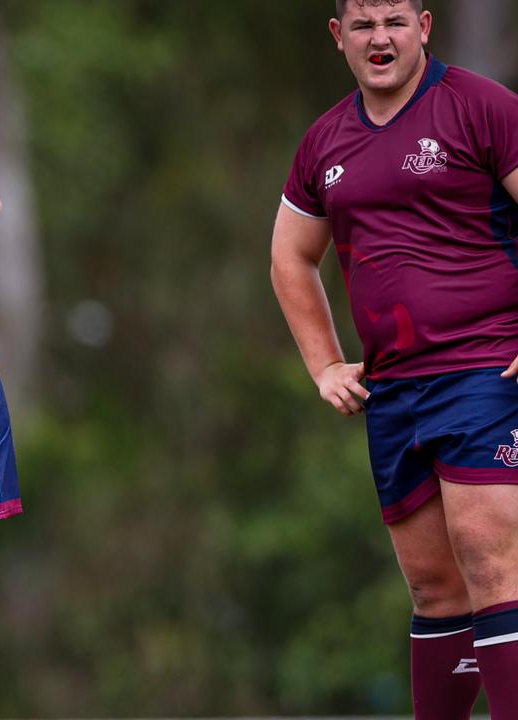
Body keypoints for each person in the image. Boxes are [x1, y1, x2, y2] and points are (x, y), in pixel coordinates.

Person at [270, 1, 518, 717]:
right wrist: (325, 365)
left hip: (486, 371)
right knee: (434, 588)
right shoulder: (324, 141)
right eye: (365, 23)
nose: (381, 38)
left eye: (395, 21)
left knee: (489, 559)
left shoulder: (479, 107)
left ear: (424, 26)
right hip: (395, 392)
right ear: (338, 34)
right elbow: (291, 257)